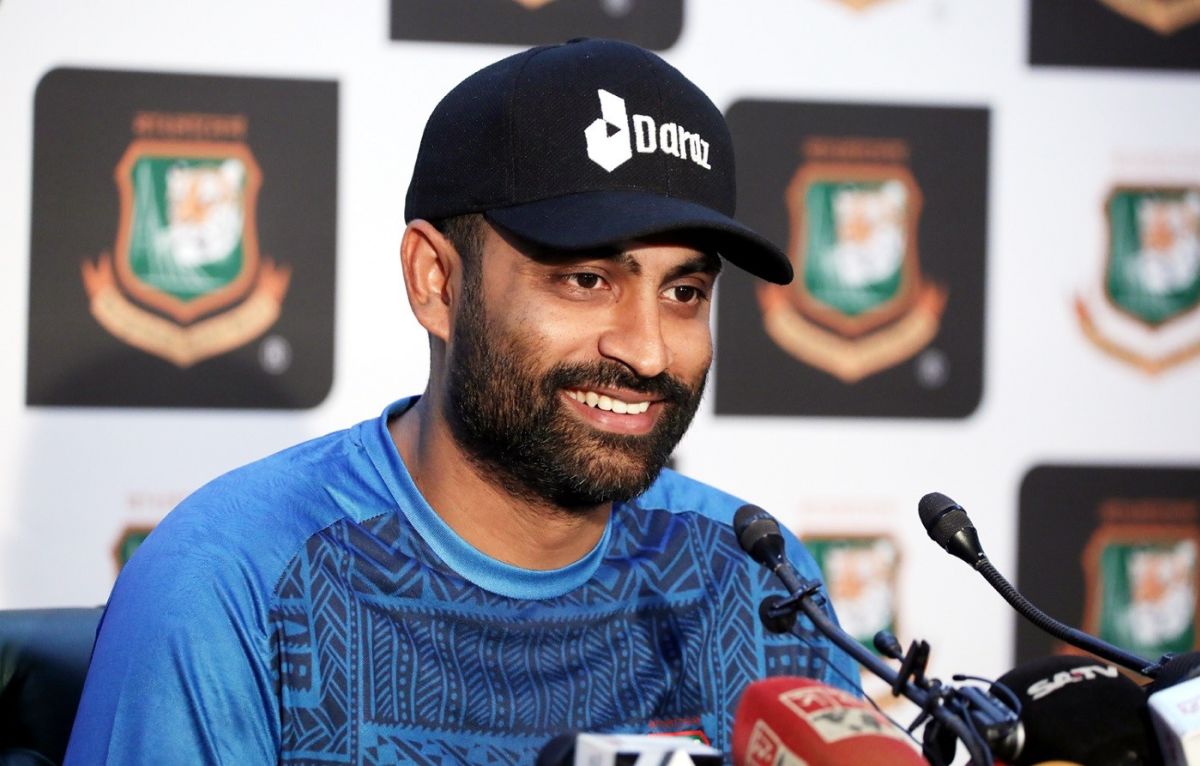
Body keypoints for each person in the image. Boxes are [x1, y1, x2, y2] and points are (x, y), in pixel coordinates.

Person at [65, 38, 857, 764]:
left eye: (684, 291)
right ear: (436, 282)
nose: (647, 349)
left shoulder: (756, 583)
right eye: (586, 281)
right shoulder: (234, 580)